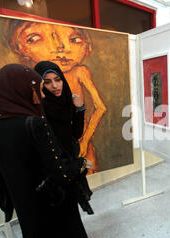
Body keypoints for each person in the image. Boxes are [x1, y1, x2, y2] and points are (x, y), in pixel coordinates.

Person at [0, 63, 93, 238]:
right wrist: (81, 163)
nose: (43, 93)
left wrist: (10, 200)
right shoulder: (36, 122)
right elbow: (59, 172)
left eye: (57, 80)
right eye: (40, 86)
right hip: (52, 197)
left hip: (26, 203)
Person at [8, 21, 107, 174]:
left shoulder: (79, 73)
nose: (60, 47)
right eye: (34, 39)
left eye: (74, 39)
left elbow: (97, 110)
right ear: (21, 50)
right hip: (56, 154)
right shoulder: (37, 98)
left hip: (80, 144)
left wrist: (85, 141)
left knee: (85, 175)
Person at [34, 60, 94, 215]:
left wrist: (80, 109)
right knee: (59, 206)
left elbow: (76, 134)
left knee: (71, 203)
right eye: (47, 82)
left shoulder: (67, 100)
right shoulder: (38, 108)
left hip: (70, 159)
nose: (55, 86)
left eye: (58, 80)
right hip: (53, 165)